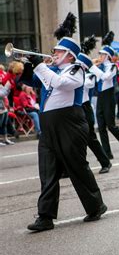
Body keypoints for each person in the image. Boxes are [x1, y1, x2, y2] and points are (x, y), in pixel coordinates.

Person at [22, 26, 107, 231]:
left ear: (69, 55)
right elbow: (30, 81)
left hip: (70, 123)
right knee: (47, 170)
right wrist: (29, 65)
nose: (54, 54)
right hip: (49, 123)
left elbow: (60, 84)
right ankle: (45, 217)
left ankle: (95, 205)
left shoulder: (76, 70)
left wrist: (40, 66)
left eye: (58, 52)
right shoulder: (51, 70)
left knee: (77, 166)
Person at [89, 38, 119, 160]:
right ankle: (107, 153)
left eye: (103, 54)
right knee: (101, 127)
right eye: (100, 54)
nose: (100, 56)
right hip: (100, 95)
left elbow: (105, 77)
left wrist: (93, 67)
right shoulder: (98, 66)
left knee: (111, 125)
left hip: (108, 96)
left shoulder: (112, 67)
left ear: (108, 56)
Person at [76, 38, 113, 174]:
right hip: (73, 109)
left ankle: (105, 161)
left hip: (84, 108)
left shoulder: (89, 74)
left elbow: (87, 84)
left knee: (90, 138)